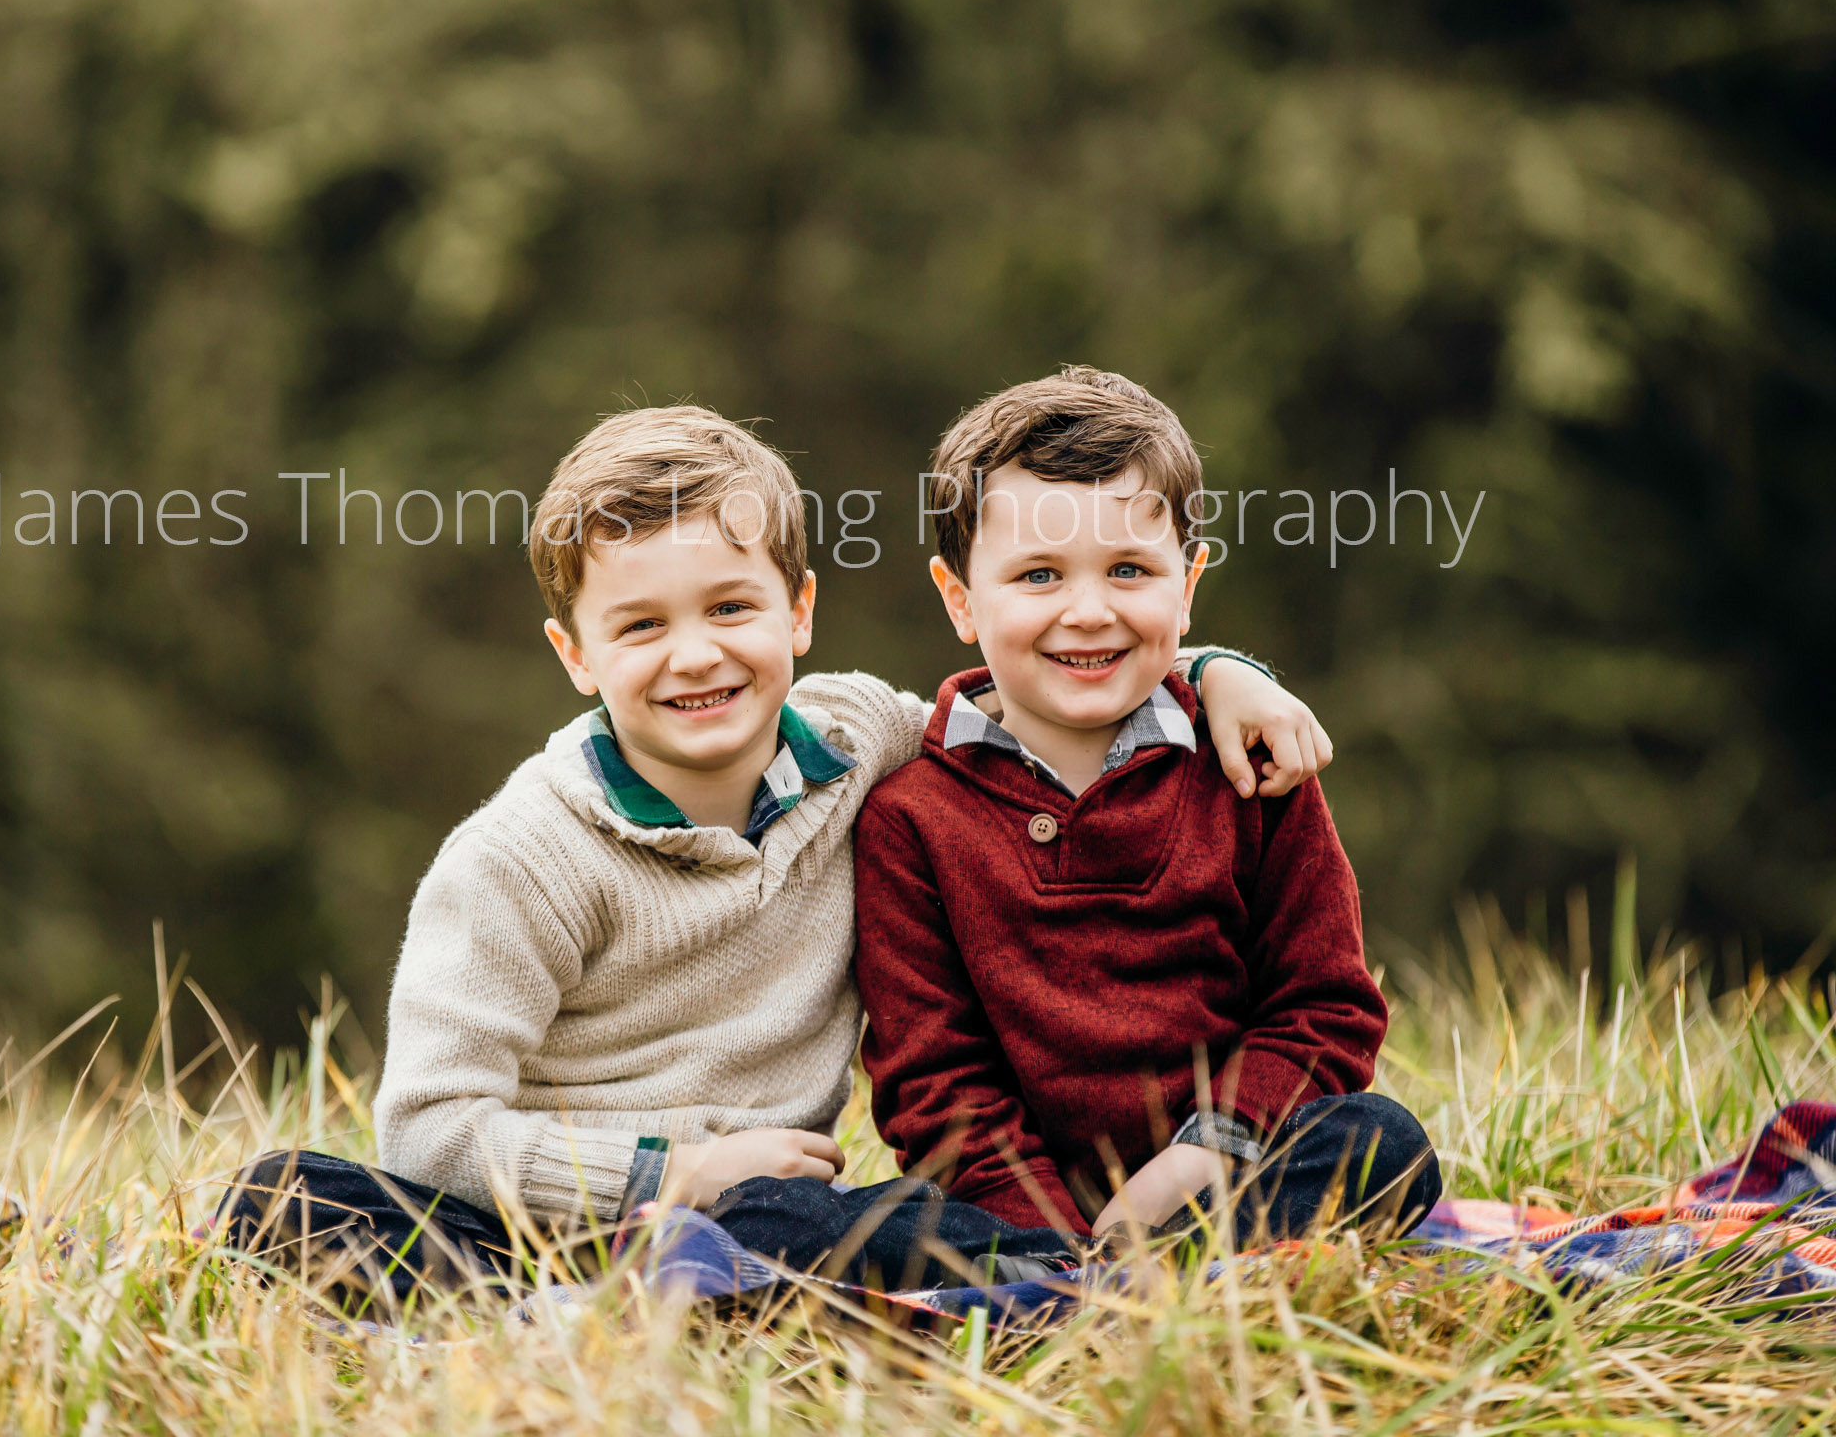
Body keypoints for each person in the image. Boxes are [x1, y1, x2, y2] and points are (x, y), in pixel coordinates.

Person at [225, 403, 1332, 1305]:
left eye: (730, 605)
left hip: (776, 1213)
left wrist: (1224, 671)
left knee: (844, 1221)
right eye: (641, 627)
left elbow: (1047, 696)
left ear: (799, 612)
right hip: (552, 1216)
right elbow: (428, 1127)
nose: (695, 653)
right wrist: (674, 1178)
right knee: (288, 1199)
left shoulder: (860, 744)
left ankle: (989, 1279)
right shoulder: (520, 862)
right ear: (574, 655)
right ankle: (609, 1289)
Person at [854, 366, 1441, 1250]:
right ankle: (1076, 1285)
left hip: (1226, 1182)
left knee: (1382, 1148)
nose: (1088, 612)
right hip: (1006, 1221)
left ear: (1189, 581)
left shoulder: (1249, 764)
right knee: (788, 1220)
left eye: (1129, 570)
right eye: (1039, 576)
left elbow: (1325, 1007)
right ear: (960, 599)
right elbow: (935, 1081)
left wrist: (1207, 1152)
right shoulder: (911, 817)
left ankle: (1134, 1276)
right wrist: (1049, 1234)